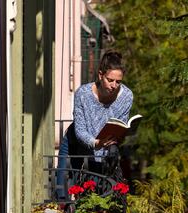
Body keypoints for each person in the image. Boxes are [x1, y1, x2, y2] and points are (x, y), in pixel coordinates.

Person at [56, 50, 134, 199]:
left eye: (118, 82)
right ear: (100, 75)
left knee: (95, 197)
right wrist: (95, 143)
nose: (114, 85)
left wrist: (121, 136)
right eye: (110, 80)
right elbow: (80, 130)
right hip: (75, 144)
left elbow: (120, 125)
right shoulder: (83, 94)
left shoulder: (127, 96)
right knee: (64, 195)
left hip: (103, 151)